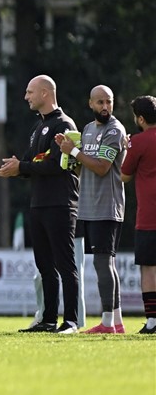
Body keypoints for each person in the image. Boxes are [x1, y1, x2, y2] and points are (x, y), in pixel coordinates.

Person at [0, 75, 80, 334]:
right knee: (44, 265)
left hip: (60, 203)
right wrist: (16, 167)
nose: (26, 96)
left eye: (30, 91)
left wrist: (22, 166)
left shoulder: (64, 125)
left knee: (65, 264)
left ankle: (72, 322)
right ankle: (49, 319)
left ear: (45, 93)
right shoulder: (37, 127)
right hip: (39, 203)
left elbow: (56, 165)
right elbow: (30, 163)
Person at [57, 86, 127, 333]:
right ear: (90, 104)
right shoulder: (87, 130)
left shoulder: (115, 130)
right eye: (100, 102)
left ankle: (107, 323)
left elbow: (102, 167)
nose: (105, 107)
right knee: (106, 263)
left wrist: (73, 151)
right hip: (89, 205)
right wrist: (68, 156)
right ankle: (116, 321)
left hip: (107, 205)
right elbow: (83, 169)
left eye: (109, 101)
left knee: (102, 263)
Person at [121, 95, 156, 334]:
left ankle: (153, 321)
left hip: (148, 216)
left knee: (148, 268)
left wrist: (126, 147)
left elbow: (124, 175)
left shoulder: (137, 141)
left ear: (140, 118)